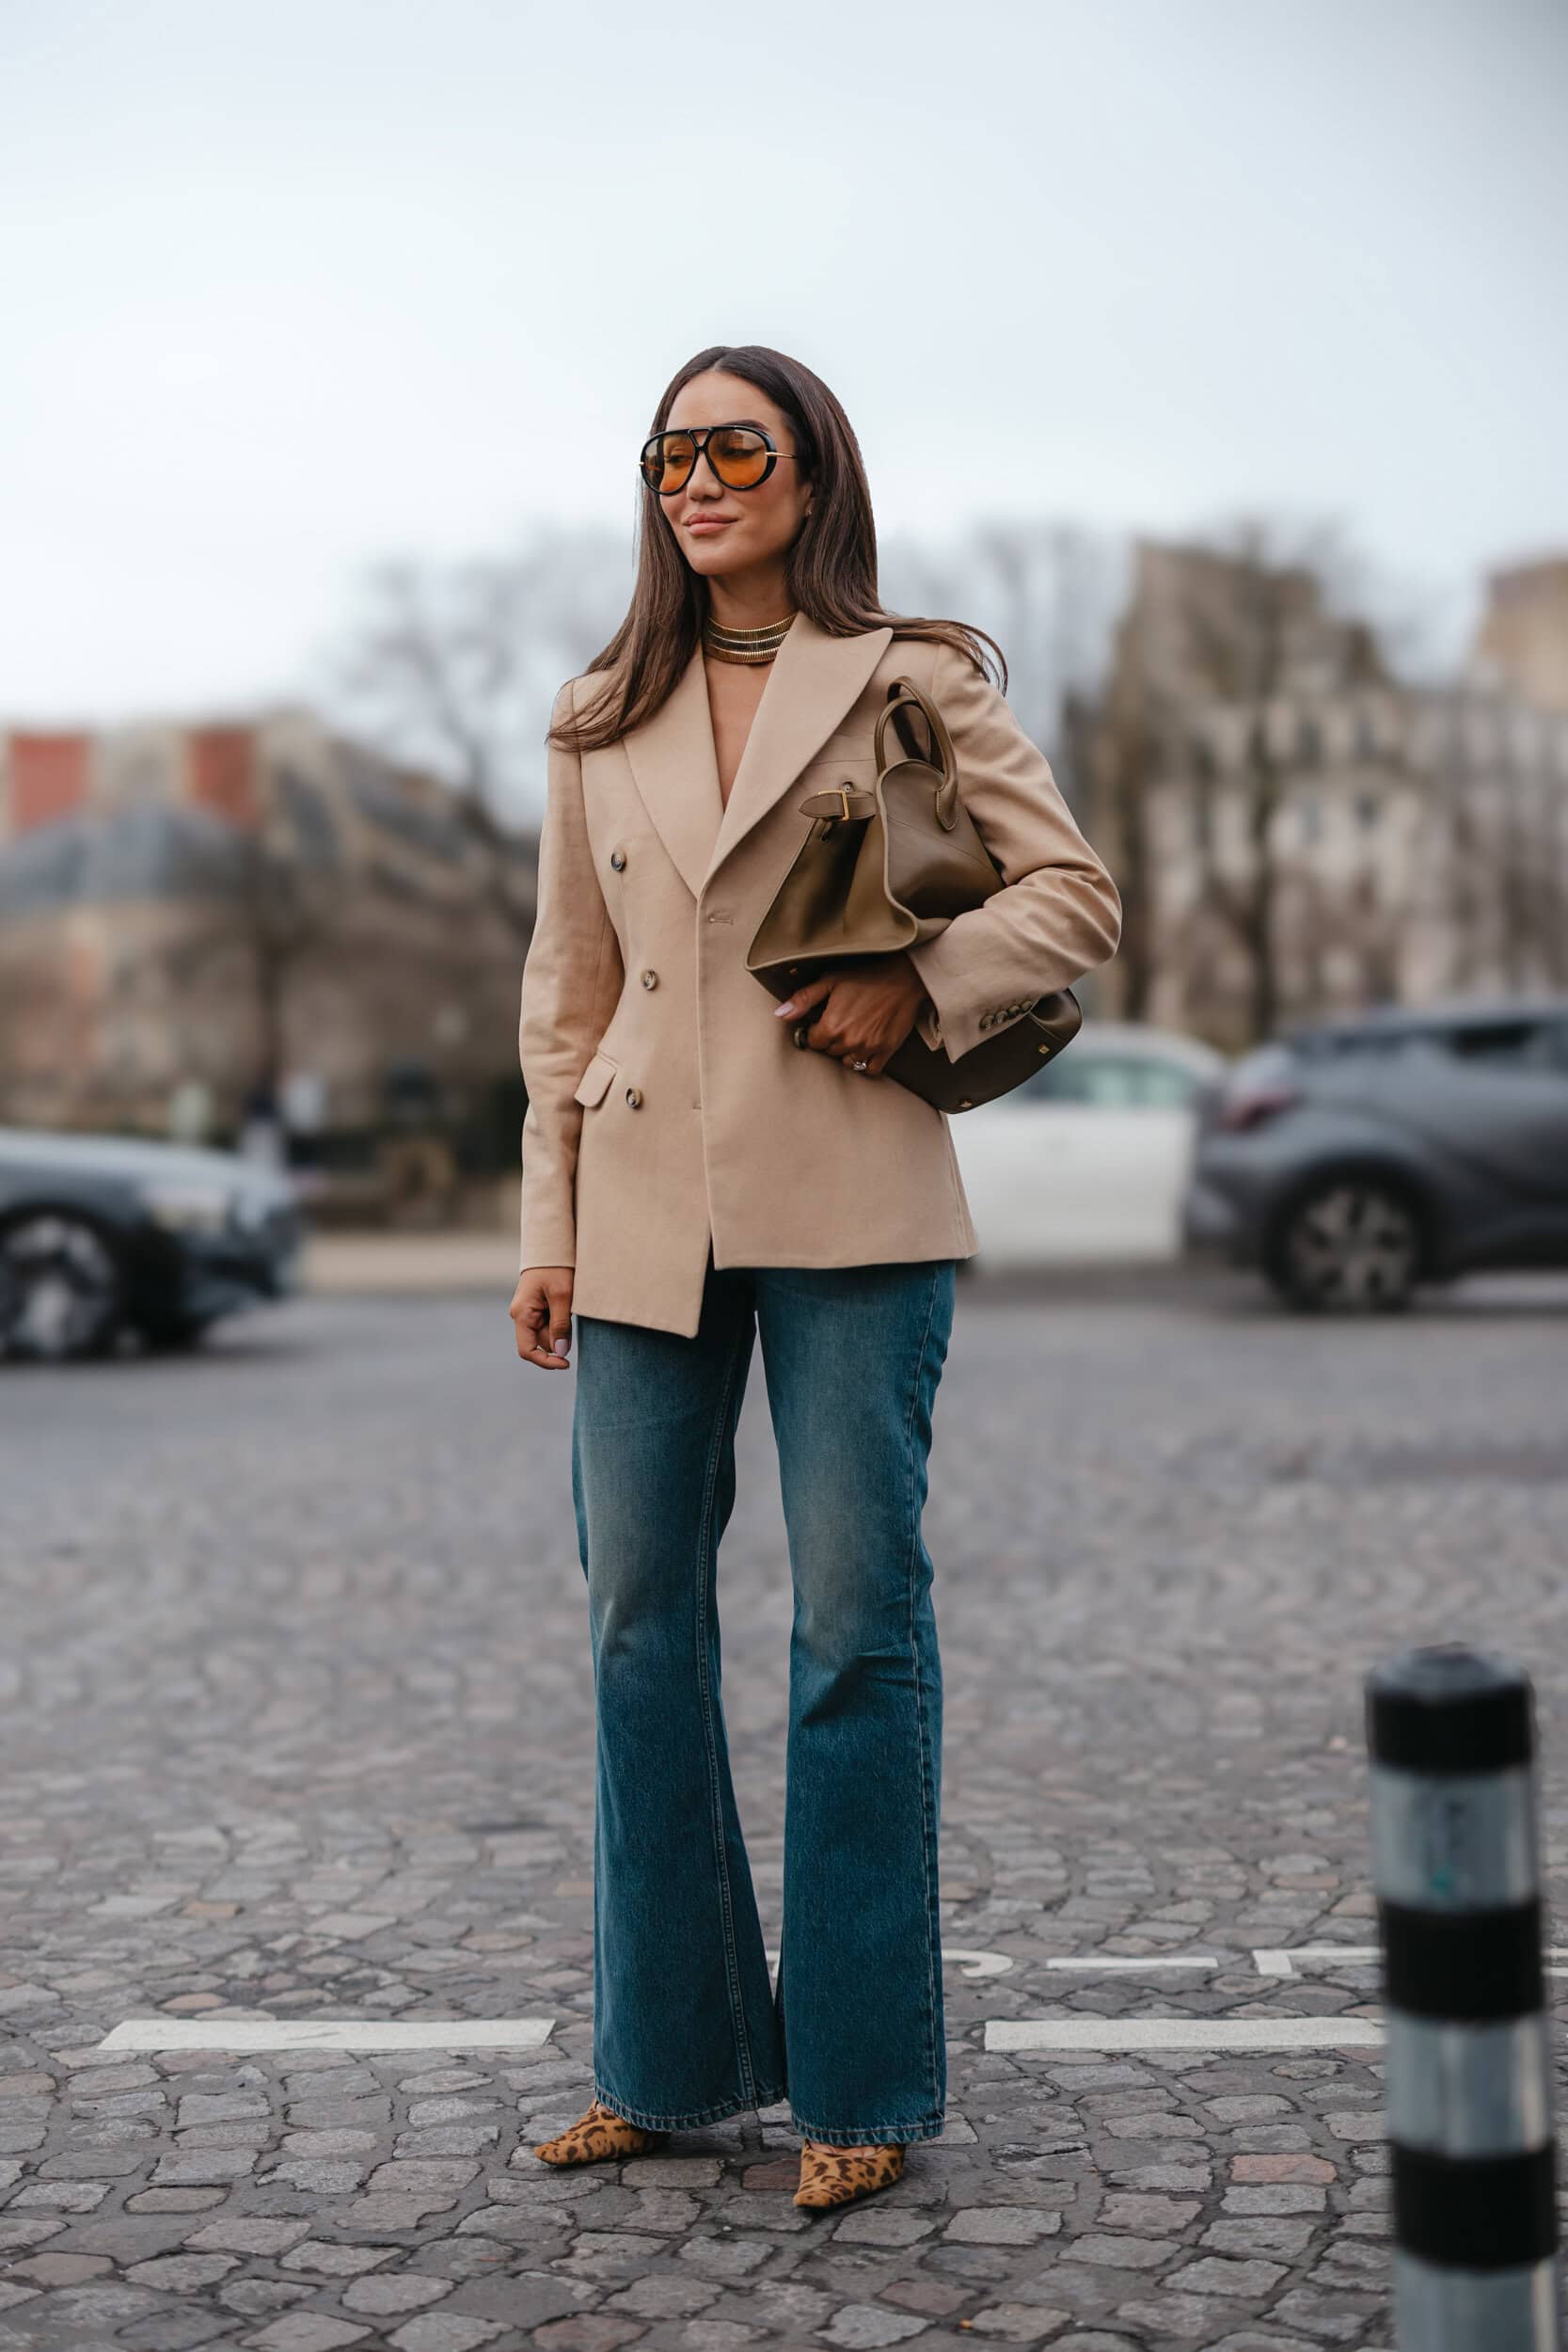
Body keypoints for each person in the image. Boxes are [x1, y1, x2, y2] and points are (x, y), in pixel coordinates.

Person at [509, 343, 1121, 2213]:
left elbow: (1073, 894)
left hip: (854, 1186)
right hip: (636, 1215)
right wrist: (547, 1221)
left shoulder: (911, 675)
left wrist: (919, 986)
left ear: (809, 474)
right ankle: (670, 2063)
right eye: (669, 452)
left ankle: (861, 2076)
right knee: (634, 1623)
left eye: (735, 448)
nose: (697, 481)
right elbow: (567, 986)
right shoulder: (600, 707)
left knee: (855, 1622)